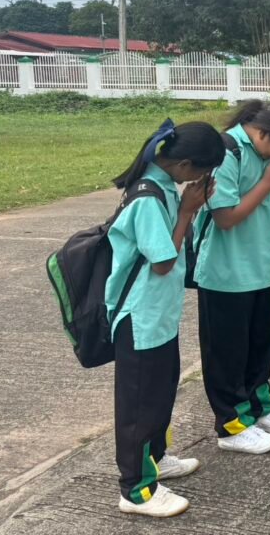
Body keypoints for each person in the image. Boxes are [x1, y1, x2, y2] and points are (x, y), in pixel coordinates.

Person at [108, 120, 226, 518]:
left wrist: (187, 209)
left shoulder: (163, 187)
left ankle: (155, 458)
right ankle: (136, 489)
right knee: (140, 404)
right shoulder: (148, 197)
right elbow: (162, 262)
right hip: (140, 317)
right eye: (201, 172)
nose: (198, 180)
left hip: (158, 314)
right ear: (185, 164)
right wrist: (188, 211)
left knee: (160, 392)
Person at [194, 99, 270, 453]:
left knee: (261, 344)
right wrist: (268, 179)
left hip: (260, 267)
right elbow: (225, 218)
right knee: (227, 353)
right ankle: (232, 425)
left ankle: (259, 407)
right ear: (262, 133)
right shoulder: (227, 152)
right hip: (226, 273)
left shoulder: (264, 156)